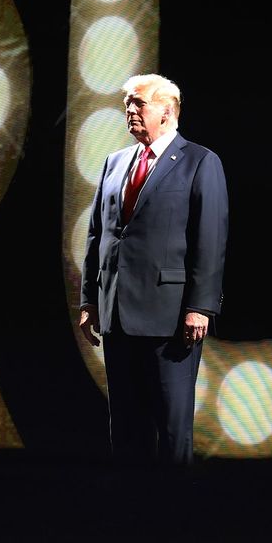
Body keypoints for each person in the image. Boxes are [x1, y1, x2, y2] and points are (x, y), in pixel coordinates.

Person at [78, 73, 228, 465]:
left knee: (172, 424)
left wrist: (201, 307)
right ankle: (130, 509)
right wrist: (89, 301)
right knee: (126, 423)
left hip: (171, 316)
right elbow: (98, 235)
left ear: (167, 110)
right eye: (127, 103)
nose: (129, 110)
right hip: (117, 314)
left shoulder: (200, 162)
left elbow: (209, 239)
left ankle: (174, 511)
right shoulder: (115, 162)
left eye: (138, 103)